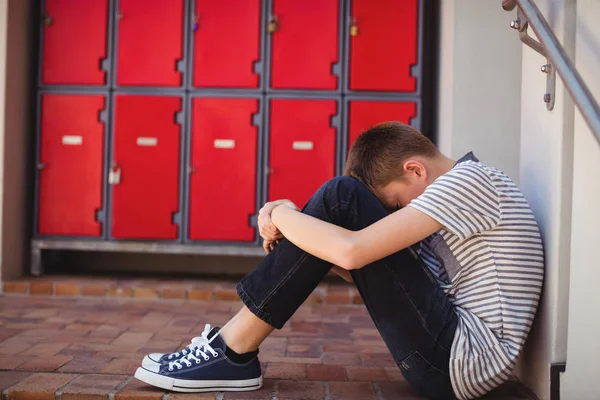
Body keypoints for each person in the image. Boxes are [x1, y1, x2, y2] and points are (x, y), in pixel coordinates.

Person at [134, 122, 544, 400]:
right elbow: (362, 266)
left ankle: (232, 351)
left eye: (397, 204)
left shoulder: (470, 182)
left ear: (415, 169)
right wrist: (300, 228)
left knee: (341, 196)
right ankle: (231, 350)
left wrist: (279, 213)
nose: (398, 214)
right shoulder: (460, 194)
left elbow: (354, 250)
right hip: (446, 360)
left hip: (459, 361)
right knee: (335, 209)